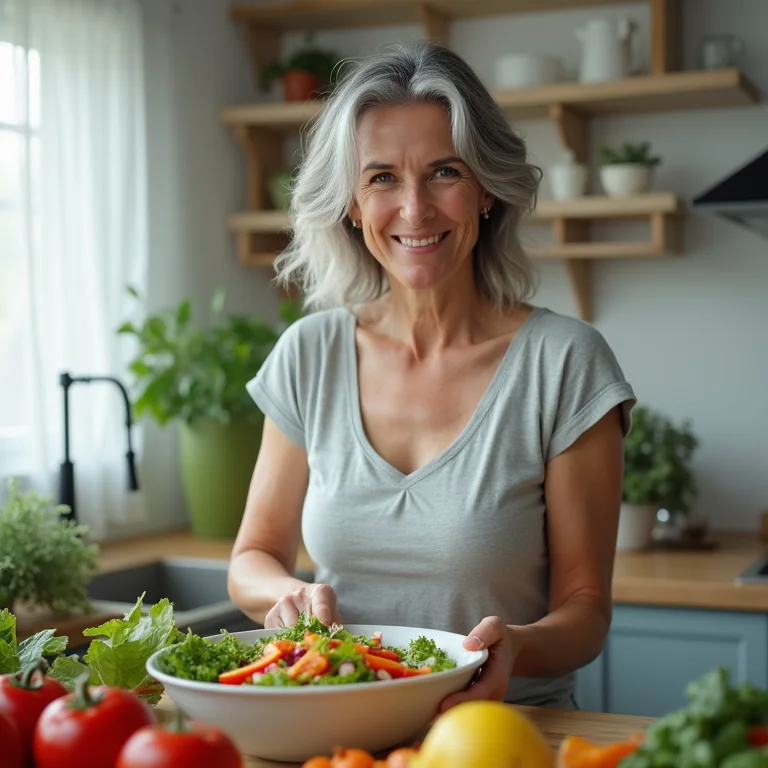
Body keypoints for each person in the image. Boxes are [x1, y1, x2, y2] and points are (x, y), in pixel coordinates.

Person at [227, 40, 636, 711]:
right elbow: (252, 559)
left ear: (484, 192)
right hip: (341, 733)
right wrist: (287, 597)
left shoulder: (565, 362)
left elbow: (585, 608)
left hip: (503, 735)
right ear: (353, 205)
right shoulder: (309, 355)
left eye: (444, 172)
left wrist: (517, 647)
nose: (415, 210)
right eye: (382, 177)